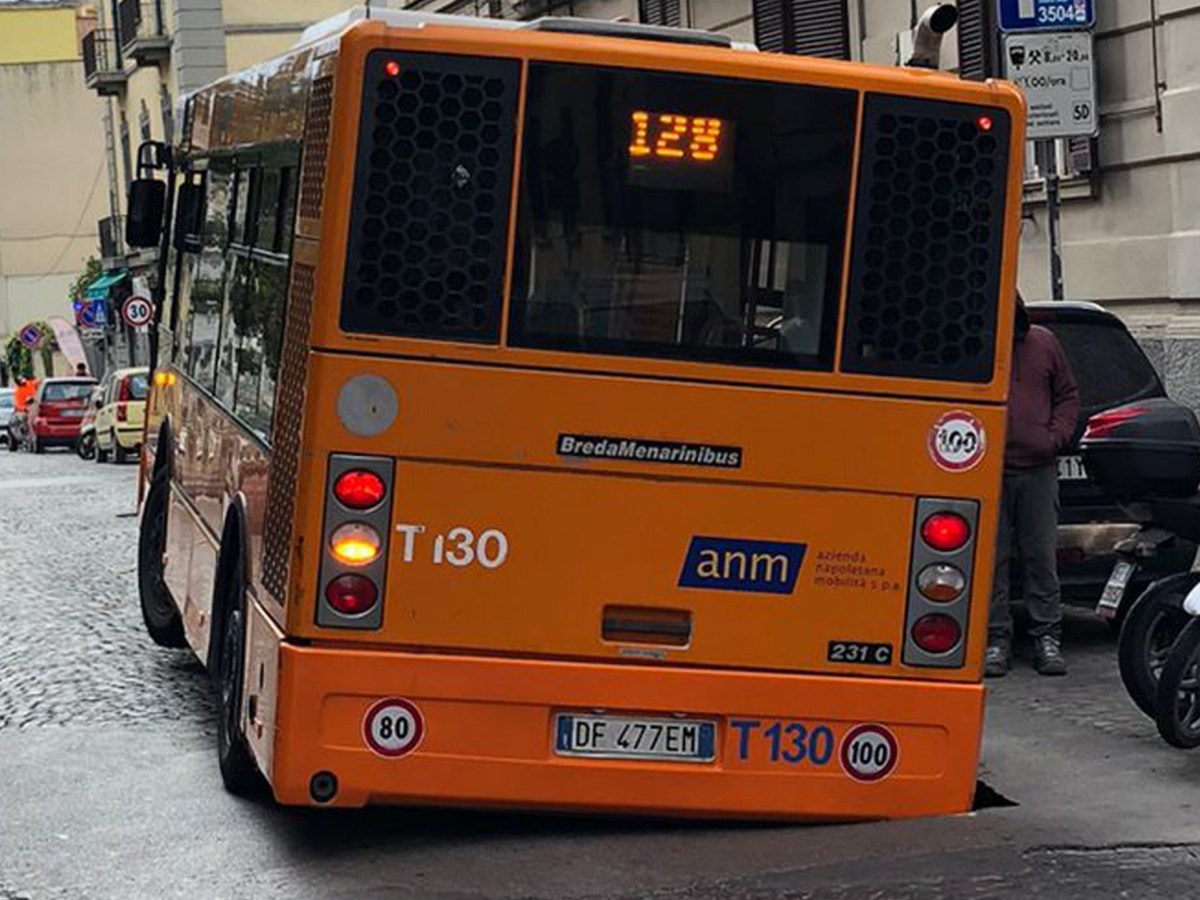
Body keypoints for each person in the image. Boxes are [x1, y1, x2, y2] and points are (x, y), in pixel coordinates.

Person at [986, 294, 1080, 678]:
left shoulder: (1044, 342)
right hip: (989, 471)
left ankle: (1047, 637)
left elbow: (1068, 396)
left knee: (1040, 557)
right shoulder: (981, 345)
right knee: (992, 560)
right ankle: (996, 638)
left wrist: (1054, 437)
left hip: (1038, 469)